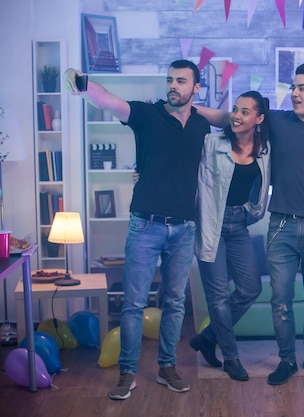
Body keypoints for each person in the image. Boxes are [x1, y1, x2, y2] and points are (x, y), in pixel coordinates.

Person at [195, 63, 304, 385]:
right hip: (280, 224)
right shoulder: (277, 121)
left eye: (302, 88)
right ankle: (286, 360)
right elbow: (229, 118)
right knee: (280, 298)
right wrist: (186, 108)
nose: (294, 93)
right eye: (293, 87)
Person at [64, 60, 211, 400]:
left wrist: (199, 107)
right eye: (170, 80)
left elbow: (225, 120)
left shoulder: (202, 126)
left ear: (195, 87)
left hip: (184, 227)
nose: (173, 86)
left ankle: (166, 367)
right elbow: (109, 100)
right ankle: (127, 372)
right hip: (145, 225)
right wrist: (84, 84)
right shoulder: (147, 115)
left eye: (181, 81)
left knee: (175, 303)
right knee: (133, 303)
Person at [189, 91, 271, 382]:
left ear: (259, 119)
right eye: (235, 109)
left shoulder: (264, 150)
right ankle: (232, 357)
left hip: (239, 225)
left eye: (246, 112)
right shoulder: (212, 143)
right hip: (212, 224)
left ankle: (207, 338)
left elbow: (262, 186)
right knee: (219, 297)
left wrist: (252, 211)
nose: (237, 115)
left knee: (251, 289)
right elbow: (182, 164)